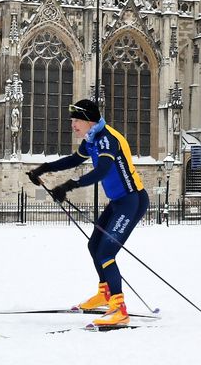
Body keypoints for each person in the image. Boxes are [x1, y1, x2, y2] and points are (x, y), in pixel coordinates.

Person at [27, 98, 148, 328]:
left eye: (76, 120)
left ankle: (119, 309)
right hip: (118, 202)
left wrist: (68, 186)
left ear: (88, 120)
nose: (73, 125)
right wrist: (44, 169)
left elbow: (102, 171)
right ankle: (105, 294)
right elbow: (74, 159)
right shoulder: (92, 138)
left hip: (132, 201)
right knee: (94, 246)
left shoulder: (106, 139)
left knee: (106, 252)